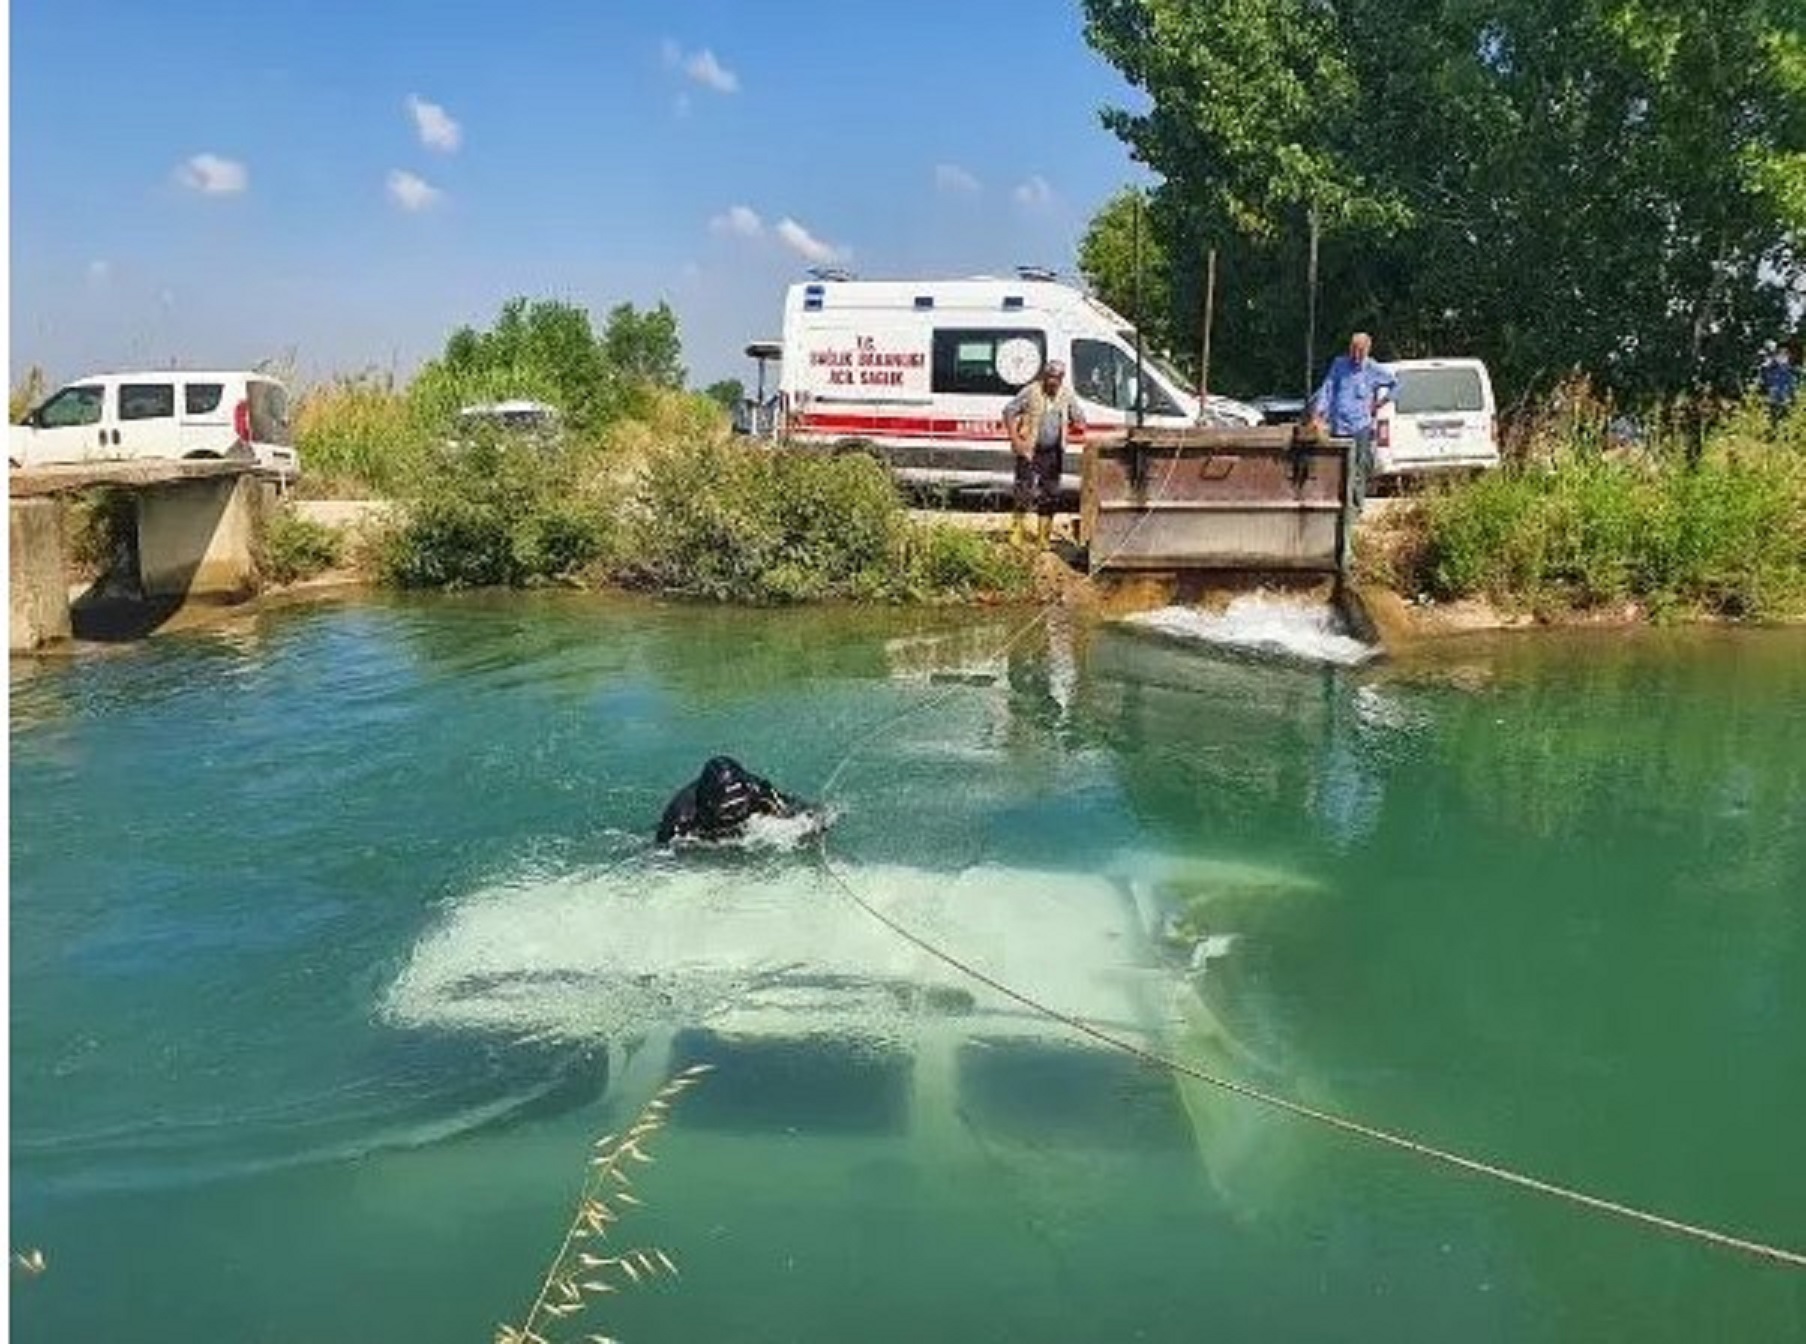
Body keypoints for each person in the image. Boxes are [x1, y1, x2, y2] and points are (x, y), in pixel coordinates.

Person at [1001, 358, 1085, 549]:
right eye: (1050, 377)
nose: (1053, 382)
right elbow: (1008, 411)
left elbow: (1079, 418)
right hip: (1029, 449)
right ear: (1044, 376)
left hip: (1053, 452)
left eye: (1057, 378)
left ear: (1062, 379)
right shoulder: (1031, 391)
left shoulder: (1066, 394)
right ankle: (1017, 533)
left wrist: (1075, 421)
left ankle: (1043, 537)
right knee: (1024, 490)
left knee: (1051, 493)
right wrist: (1015, 440)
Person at [1308, 332, 1398, 509]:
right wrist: (1318, 412)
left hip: (1360, 426)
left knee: (1359, 466)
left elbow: (1396, 384)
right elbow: (1328, 388)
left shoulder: (1373, 368)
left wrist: (1381, 402)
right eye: (1354, 351)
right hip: (1339, 425)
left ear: (1368, 350)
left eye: (1361, 352)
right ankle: (1339, 504)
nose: (1356, 356)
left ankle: (1357, 505)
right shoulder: (1339, 365)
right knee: (1338, 467)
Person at [655, 755, 808, 844]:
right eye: (728, 809)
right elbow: (662, 849)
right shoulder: (682, 814)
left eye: (739, 806)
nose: (735, 814)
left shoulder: (757, 788)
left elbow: (799, 810)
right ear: (709, 801)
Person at [1758, 341, 1798, 433]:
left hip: (1787, 400)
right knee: (1773, 423)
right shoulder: (1769, 368)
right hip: (1773, 400)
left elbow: (1793, 386)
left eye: (1786, 354)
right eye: (1781, 353)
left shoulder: (1791, 370)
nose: (1784, 356)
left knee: (1787, 424)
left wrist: (1793, 397)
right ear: (1776, 355)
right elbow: (1763, 380)